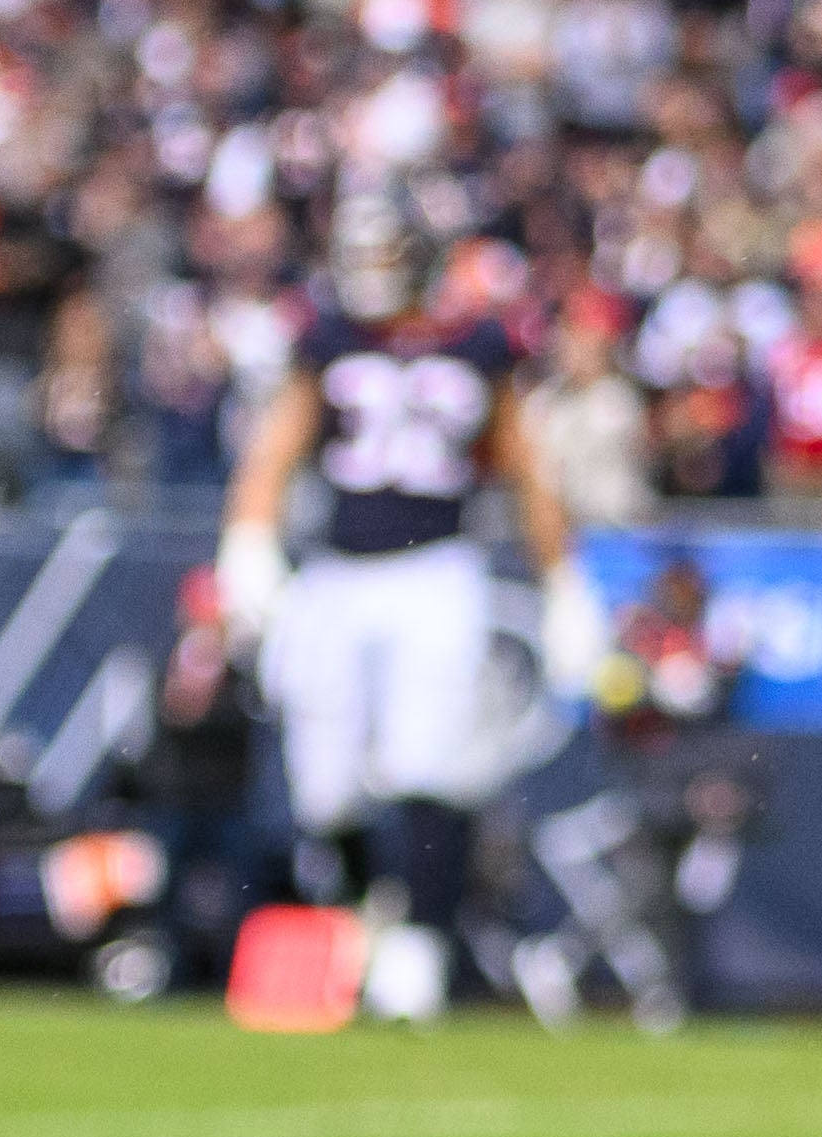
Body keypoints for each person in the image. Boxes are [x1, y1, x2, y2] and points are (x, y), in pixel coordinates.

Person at [214, 202, 599, 967]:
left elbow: (526, 466)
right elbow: (277, 443)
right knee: (321, 784)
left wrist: (564, 582)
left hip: (437, 567)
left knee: (429, 763)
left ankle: (420, 944)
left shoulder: (478, 344)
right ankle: (367, 909)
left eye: (384, 257)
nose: (369, 275)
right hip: (338, 570)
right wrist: (248, 535)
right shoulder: (327, 339)